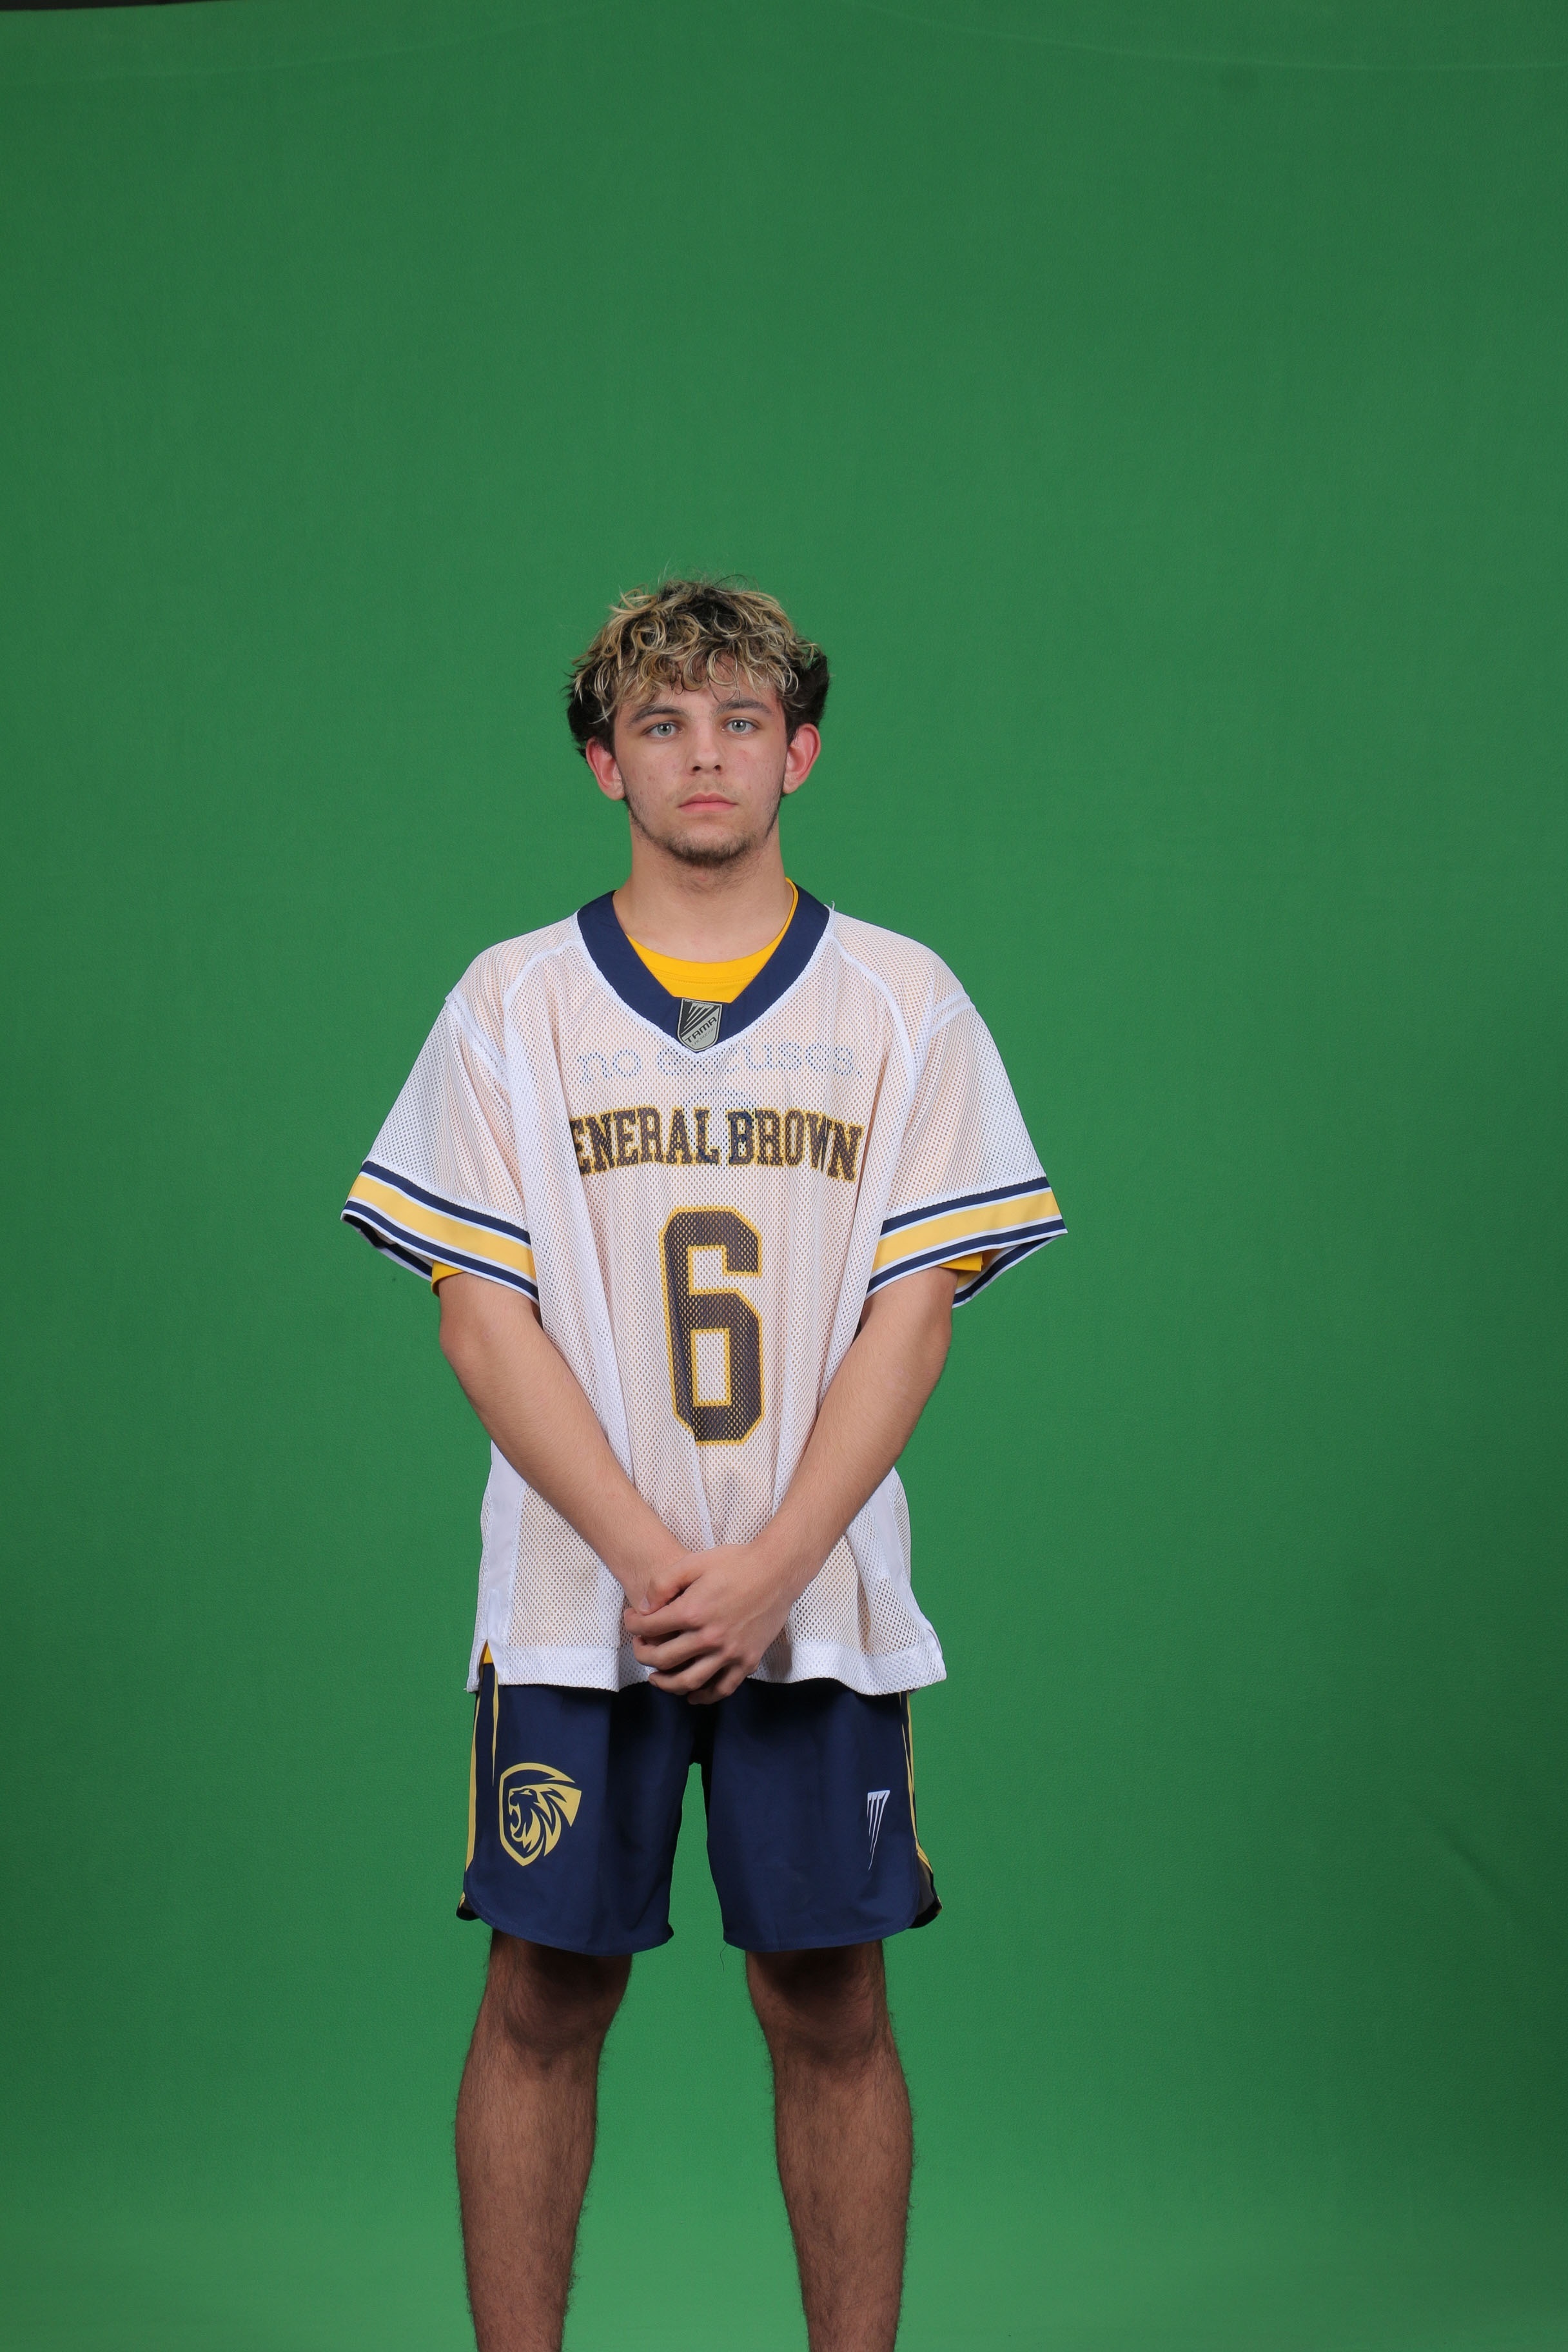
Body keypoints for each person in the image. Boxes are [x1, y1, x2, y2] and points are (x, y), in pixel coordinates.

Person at [342, 578, 1064, 2352]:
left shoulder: (903, 1002)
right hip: (576, 1599)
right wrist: (659, 1563)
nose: (705, 755)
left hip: (816, 1601)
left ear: (800, 749)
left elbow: (915, 1317)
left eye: (741, 720)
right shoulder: (511, 1002)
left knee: (830, 1999)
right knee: (543, 1994)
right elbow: (478, 1318)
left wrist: (773, 1567)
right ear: (606, 762)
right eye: (661, 725)